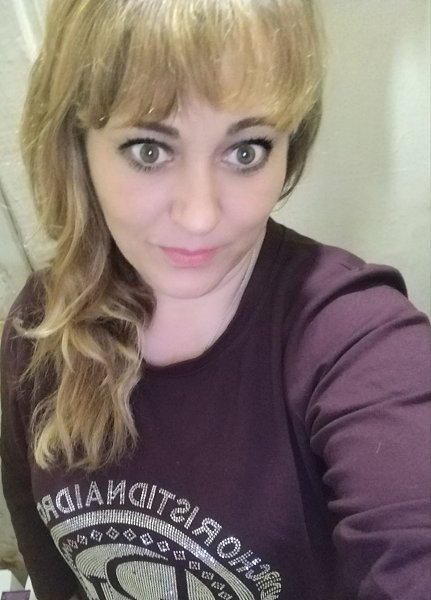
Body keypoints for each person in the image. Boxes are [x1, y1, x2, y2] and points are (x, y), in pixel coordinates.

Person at [1, 0, 430, 599]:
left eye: (246, 150)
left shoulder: (357, 341)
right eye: (149, 149)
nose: (200, 217)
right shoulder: (39, 327)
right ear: (79, 146)